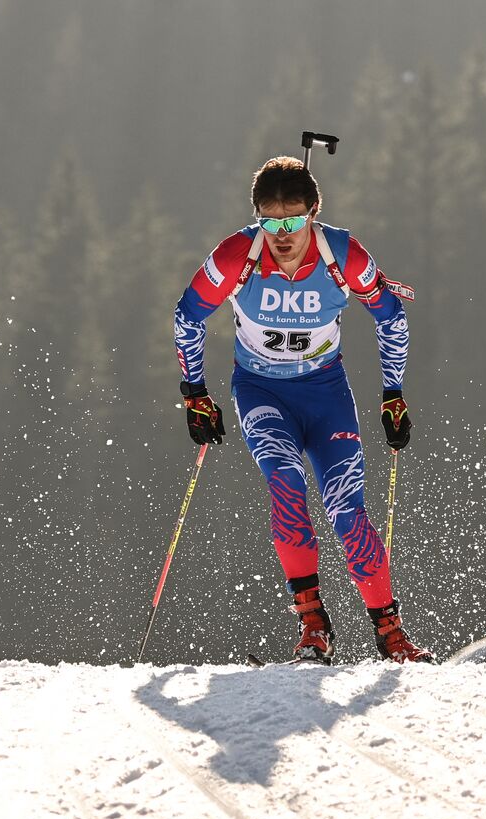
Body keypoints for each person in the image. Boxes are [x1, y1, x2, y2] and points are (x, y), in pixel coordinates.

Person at [173, 155, 433, 664]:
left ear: (314, 211)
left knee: (346, 510)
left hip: (325, 393)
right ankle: (313, 627)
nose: (282, 234)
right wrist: (195, 393)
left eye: (293, 220)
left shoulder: (343, 255)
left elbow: (392, 318)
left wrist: (393, 394)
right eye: (270, 222)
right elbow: (188, 314)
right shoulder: (236, 256)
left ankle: (391, 635)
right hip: (261, 391)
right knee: (286, 483)